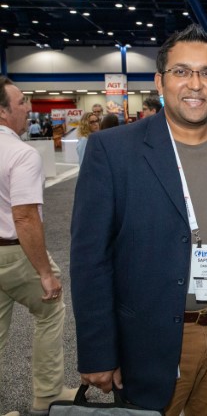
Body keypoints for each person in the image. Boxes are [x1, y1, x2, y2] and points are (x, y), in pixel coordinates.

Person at [70, 24, 207, 414]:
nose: (195, 84)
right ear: (159, 81)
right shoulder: (113, 150)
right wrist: (97, 352)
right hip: (146, 339)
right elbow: (90, 258)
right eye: (181, 71)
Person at [0, 76, 77, 415]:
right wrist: (45, 272)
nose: (28, 108)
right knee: (51, 309)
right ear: (2, 111)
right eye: (21, 103)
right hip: (15, 253)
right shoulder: (21, 154)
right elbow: (25, 216)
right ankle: (48, 393)